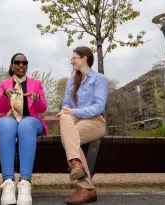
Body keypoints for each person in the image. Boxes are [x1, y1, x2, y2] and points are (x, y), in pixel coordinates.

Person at [0, 53, 48, 205]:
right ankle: (8, 183)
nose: (21, 65)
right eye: (17, 62)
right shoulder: (4, 84)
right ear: (12, 66)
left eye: (24, 62)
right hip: (8, 118)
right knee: (7, 124)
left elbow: (43, 108)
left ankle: (25, 183)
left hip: (31, 120)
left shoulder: (36, 83)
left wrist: (37, 98)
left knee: (25, 125)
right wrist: (5, 95)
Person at [57, 46, 108, 204]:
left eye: (74, 58)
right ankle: (79, 171)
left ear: (84, 59)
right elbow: (66, 105)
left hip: (95, 122)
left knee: (68, 137)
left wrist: (73, 112)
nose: (71, 61)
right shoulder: (71, 81)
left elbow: (98, 107)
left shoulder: (99, 79)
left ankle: (84, 184)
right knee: (65, 120)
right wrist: (65, 112)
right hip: (73, 122)